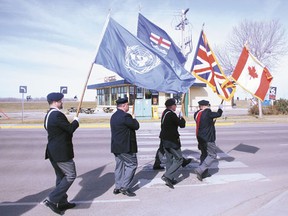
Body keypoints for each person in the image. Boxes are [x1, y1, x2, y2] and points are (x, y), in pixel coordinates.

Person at [43, 92, 79, 215]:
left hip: (52, 151)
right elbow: (69, 129)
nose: (62, 102)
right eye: (61, 101)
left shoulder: (48, 115)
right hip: (61, 152)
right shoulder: (57, 115)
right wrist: (76, 122)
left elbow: (59, 131)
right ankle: (52, 199)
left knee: (61, 177)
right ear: (56, 102)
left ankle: (62, 202)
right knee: (70, 175)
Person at [110, 97, 139, 197]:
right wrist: (134, 118)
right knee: (132, 164)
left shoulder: (113, 116)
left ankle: (117, 187)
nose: (128, 106)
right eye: (127, 105)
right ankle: (125, 187)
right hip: (125, 147)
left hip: (116, 146)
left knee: (120, 166)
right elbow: (136, 126)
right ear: (123, 106)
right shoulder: (126, 117)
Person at [160, 98, 188, 189]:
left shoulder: (165, 112)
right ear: (172, 106)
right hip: (172, 141)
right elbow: (182, 125)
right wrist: (181, 117)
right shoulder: (171, 114)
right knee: (179, 159)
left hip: (164, 140)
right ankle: (167, 176)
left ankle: (170, 179)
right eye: (175, 105)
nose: (176, 106)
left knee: (170, 159)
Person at [194, 100, 223, 181]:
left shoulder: (197, 114)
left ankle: (204, 173)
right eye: (208, 105)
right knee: (212, 155)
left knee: (204, 154)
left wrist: (210, 123)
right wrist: (220, 109)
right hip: (208, 138)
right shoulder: (208, 112)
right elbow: (218, 114)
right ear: (205, 106)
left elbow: (204, 122)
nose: (209, 107)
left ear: (200, 106)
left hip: (200, 137)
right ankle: (200, 169)